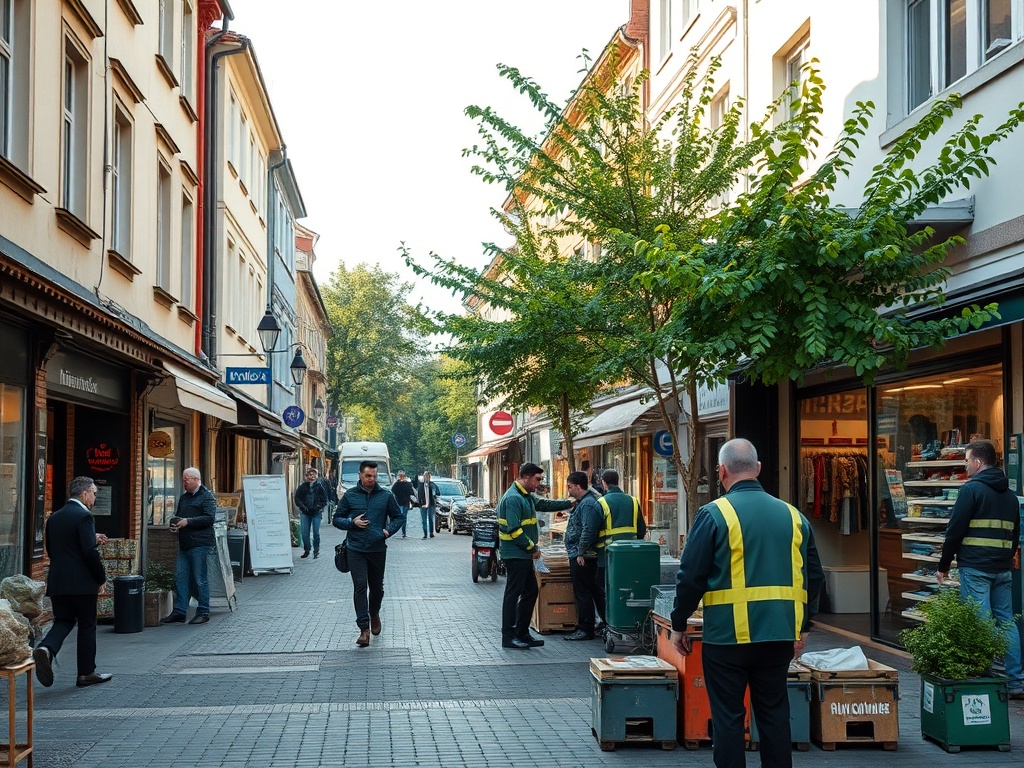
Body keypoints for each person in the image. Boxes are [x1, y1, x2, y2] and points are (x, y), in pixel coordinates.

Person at [670, 438, 823, 768]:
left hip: (727, 637)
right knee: (774, 714)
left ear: (722, 471)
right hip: (779, 635)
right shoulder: (794, 516)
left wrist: (678, 624)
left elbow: (690, 576)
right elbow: (815, 577)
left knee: (727, 718)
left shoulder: (714, 514)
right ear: (758, 469)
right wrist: (805, 626)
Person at [937, 439, 1023, 699]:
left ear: (977, 462)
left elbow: (955, 531)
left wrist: (943, 565)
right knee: (1006, 622)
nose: (965, 466)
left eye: (966, 461)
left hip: (975, 567)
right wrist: (1005, 559)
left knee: (979, 622)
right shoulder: (1010, 495)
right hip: (1002, 568)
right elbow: (1015, 533)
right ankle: (1017, 682)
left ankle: (981, 676)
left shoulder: (970, 490)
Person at [33, 476, 112, 688]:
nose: (95, 498)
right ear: (84, 493)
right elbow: (88, 552)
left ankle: (46, 648)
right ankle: (86, 673)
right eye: (94, 493)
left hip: (59, 581)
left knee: (63, 621)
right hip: (82, 582)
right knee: (87, 624)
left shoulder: (55, 517)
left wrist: (91, 537)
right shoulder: (84, 516)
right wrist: (100, 577)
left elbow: (56, 548)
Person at [497, 463, 572, 650]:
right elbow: (514, 530)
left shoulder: (526, 496)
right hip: (516, 554)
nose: (538, 484)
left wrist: (569, 503)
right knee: (513, 594)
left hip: (523, 554)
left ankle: (522, 633)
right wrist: (532, 548)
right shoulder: (513, 498)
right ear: (525, 477)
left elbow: (544, 504)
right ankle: (509, 636)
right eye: (537, 479)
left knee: (530, 591)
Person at [333, 461, 405, 647]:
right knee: (359, 586)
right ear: (360, 475)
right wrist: (351, 522)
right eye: (368, 476)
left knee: (377, 588)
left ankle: (374, 612)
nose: (372, 479)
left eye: (374, 476)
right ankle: (364, 629)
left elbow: (398, 517)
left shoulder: (386, 495)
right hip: (355, 548)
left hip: (377, 548)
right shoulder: (350, 495)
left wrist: (387, 531)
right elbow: (337, 519)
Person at [161, 467, 216, 625]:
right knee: (181, 577)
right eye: (183, 479)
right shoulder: (184, 498)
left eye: (187, 479)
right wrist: (175, 525)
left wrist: (188, 521)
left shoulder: (207, 496)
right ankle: (179, 611)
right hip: (184, 544)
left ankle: (203, 611)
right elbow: (179, 517)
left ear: (197, 480)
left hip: (200, 544)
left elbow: (209, 518)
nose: (184, 482)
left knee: (200, 579)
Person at [595, 468, 646, 616]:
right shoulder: (633, 501)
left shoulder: (602, 502)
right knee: (628, 588)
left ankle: (610, 620)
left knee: (607, 589)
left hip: (606, 556)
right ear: (618, 481)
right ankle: (627, 618)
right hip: (631, 555)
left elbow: (593, 529)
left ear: (604, 483)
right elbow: (641, 529)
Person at [564, 471, 605, 641]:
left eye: (570, 487)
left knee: (583, 592)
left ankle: (586, 628)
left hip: (583, 556)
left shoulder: (588, 504)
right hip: (583, 554)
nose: (568, 490)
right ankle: (602, 622)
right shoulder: (585, 502)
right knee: (593, 591)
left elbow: (588, 530)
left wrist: (580, 551)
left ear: (578, 486)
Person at [294, 466, 330, 559]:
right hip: (305, 513)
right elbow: (297, 498)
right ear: (307, 476)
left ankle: (316, 549)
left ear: (316, 476)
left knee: (316, 532)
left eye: (314, 474)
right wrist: (303, 507)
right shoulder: (303, 486)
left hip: (316, 513)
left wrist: (316, 507)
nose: (312, 476)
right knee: (305, 532)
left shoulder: (319, 486)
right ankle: (307, 549)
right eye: (310, 474)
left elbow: (324, 500)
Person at [413, 471, 440, 539]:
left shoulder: (432, 484)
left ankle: (431, 533)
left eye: (428, 476)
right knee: (423, 520)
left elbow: (437, 492)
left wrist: (434, 494)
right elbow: (418, 494)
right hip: (423, 504)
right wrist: (419, 502)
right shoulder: (421, 485)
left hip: (430, 504)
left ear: (430, 477)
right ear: (423, 477)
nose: (426, 478)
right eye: (425, 476)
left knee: (430, 518)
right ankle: (425, 534)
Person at [391, 470, 415, 538]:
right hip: (399, 502)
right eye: (400, 476)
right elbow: (393, 491)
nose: (402, 477)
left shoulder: (408, 484)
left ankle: (403, 532)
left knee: (404, 517)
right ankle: (399, 532)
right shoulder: (396, 484)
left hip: (405, 502)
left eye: (403, 476)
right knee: (400, 517)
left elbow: (411, 492)